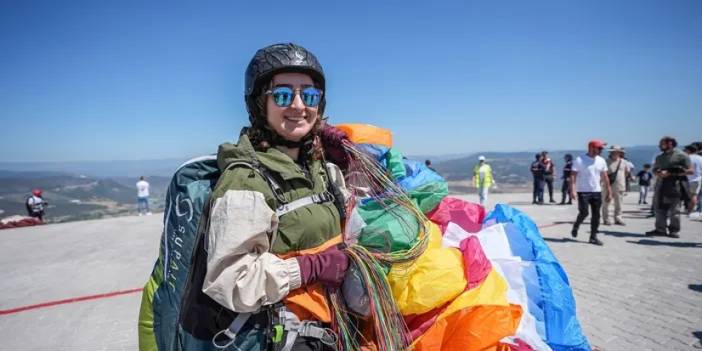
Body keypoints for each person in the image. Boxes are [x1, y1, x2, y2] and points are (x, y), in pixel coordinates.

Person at [177, 43, 350, 350]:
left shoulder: (323, 170)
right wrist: (311, 267)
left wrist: (353, 162)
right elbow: (232, 280)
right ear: (260, 104)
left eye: (309, 95)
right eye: (283, 94)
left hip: (331, 330)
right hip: (287, 337)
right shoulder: (246, 182)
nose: (299, 105)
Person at [645, 136, 692, 238]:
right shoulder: (659, 157)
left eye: (662, 144)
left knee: (674, 209)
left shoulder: (682, 156)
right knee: (658, 207)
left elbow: (690, 171)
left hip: (676, 184)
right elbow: (654, 170)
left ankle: (674, 230)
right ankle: (660, 229)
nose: (659, 146)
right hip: (661, 183)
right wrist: (659, 172)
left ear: (670, 143)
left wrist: (671, 173)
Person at [570, 140, 612, 246]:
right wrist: (572, 190)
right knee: (584, 212)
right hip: (583, 191)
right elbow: (573, 175)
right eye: (600, 148)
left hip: (596, 191)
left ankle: (593, 237)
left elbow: (605, 176)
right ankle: (576, 225)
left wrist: (609, 191)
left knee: (596, 215)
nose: (601, 150)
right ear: (592, 148)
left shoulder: (601, 160)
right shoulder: (580, 160)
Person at [601, 145, 630, 226]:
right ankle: (606, 219)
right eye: (612, 152)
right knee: (606, 203)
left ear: (619, 153)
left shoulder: (624, 162)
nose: (614, 153)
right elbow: (602, 174)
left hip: (620, 186)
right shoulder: (606, 162)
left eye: (616, 152)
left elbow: (626, 173)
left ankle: (618, 218)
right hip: (607, 186)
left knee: (619, 203)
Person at [684, 144, 702, 218]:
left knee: (692, 197)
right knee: (695, 196)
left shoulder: (687, 158)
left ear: (688, 150)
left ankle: (690, 211)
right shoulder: (700, 158)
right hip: (697, 179)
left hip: (687, 179)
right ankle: (691, 211)